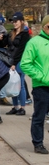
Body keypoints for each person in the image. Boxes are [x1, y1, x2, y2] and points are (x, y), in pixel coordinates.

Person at [19, 16, 49, 155]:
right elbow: (25, 64)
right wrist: (42, 77)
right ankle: (38, 143)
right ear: (44, 27)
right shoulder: (34, 42)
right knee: (39, 116)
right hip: (42, 87)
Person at [7, 13, 31, 116]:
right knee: (13, 84)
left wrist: (14, 63)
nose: (14, 23)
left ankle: (22, 107)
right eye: (13, 21)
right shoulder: (12, 33)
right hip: (11, 60)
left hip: (19, 61)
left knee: (20, 84)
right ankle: (15, 106)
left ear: (21, 21)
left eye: (16, 21)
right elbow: (7, 45)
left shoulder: (25, 34)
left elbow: (21, 50)